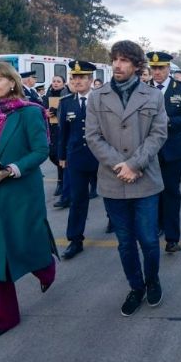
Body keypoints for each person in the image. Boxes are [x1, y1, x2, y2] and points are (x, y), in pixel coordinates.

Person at [0, 61, 58, 336]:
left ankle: (45, 266)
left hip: (23, 192)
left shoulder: (30, 112)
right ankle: (5, 317)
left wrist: (13, 169)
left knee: (28, 241)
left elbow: (41, 150)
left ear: (12, 82)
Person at [85, 40, 167, 317]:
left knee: (149, 239)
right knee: (124, 241)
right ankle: (136, 287)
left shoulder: (153, 96)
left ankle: (152, 280)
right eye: (114, 59)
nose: (117, 65)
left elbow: (158, 134)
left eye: (124, 60)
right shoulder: (98, 96)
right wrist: (120, 166)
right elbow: (93, 136)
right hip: (112, 180)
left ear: (136, 65)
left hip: (145, 180)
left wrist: (134, 164)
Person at [147, 51, 181, 253]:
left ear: (169, 69)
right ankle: (155, 227)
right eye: (154, 68)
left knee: (171, 193)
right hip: (148, 151)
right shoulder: (141, 89)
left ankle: (172, 237)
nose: (157, 72)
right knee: (150, 193)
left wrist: (169, 121)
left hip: (172, 149)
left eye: (161, 68)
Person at [57, 61, 100, 260]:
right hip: (76, 158)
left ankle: (113, 222)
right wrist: (62, 157)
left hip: (101, 157)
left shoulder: (102, 100)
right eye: (74, 77)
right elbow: (62, 133)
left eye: (82, 77)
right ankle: (75, 240)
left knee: (111, 196)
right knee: (77, 200)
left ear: (91, 80)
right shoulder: (66, 102)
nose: (77, 81)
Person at [43, 76, 72, 203]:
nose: (55, 83)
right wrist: (45, 113)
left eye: (58, 81)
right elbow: (40, 110)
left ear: (63, 84)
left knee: (62, 157)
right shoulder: (46, 96)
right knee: (53, 155)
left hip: (62, 129)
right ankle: (62, 182)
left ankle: (63, 185)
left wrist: (58, 112)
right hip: (51, 130)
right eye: (54, 81)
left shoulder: (67, 96)